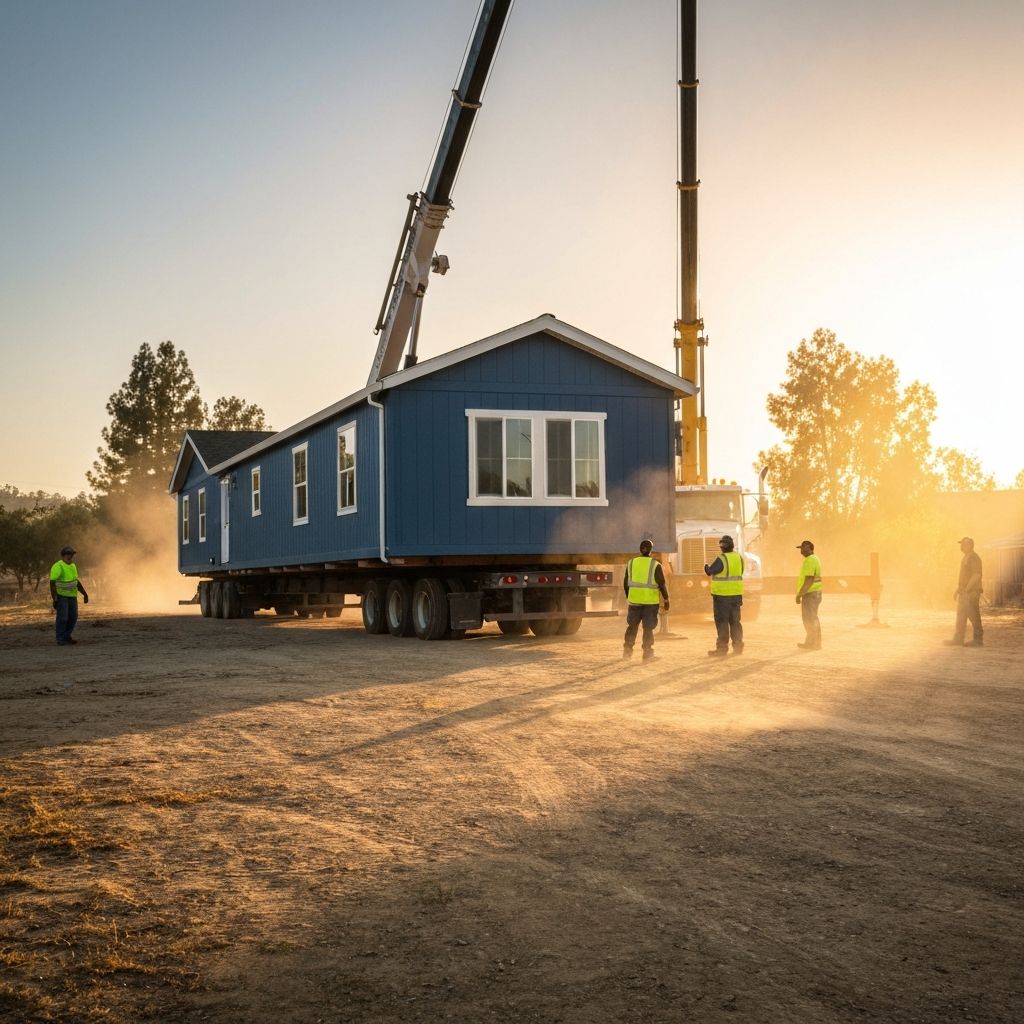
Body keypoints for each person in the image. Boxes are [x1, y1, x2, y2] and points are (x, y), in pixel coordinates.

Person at [622, 539, 670, 661]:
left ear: (640, 549)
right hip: (650, 603)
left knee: (632, 626)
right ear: (651, 551)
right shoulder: (655, 565)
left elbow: (625, 583)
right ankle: (647, 654)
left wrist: (629, 596)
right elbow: (662, 584)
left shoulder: (631, 563)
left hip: (634, 602)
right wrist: (666, 600)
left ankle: (627, 652)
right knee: (648, 629)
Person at [704, 535, 744, 656]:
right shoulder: (739, 558)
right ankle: (738, 646)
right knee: (735, 621)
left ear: (721, 547)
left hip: (722, 596)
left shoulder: (722, 558)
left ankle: (722, 649)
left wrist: (706, 567)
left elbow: (710, 571)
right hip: (736, 595)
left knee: (722, 622)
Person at [945, 536, 983, 647]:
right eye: (961, 544)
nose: (961, 547)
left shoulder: (974, 558)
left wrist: (967, 589)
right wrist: (958, 590)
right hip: (964, 592)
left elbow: (977, 575)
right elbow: (964, 577)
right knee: (961, 616)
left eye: (964, 544)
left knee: (973, 615)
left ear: (970, 545)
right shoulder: (966, 557)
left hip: (971, 592)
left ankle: (978, 640)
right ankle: (958, 639)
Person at [49, 545, 89, 646]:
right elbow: (52, 583)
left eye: (71, 554)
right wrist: (55, 598)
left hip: (72, 596)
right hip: (62, 596)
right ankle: (60, 638)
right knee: (63, 618)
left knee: (73, 617)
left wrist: (84, 594)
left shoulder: (73, 566)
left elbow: (76, 581)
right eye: (68, 554)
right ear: (63, 555)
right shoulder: (58, 566)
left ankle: (66, 636)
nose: (70, 556)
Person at [795, 540, 823, 650]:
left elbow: (809, 579)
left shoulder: (810, 560)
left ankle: (815, 643)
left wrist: (800, 594)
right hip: (815, 593)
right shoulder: (815, 559)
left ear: (809, 548)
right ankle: (811, 642)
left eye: (803, 548)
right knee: (810, 618)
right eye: (801, 548)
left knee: (810, 618)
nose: (801, 550)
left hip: (810, 594)